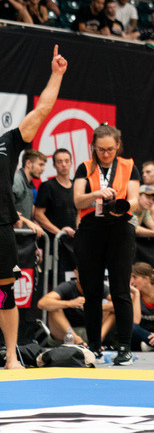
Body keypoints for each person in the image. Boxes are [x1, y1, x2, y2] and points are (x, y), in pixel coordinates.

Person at [1, 46, 67, 369]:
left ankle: (12, 356)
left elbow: (41, 110)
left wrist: (56, 75)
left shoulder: (7, 142)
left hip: (1, 229)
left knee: (4, 295)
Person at [72, 123, 140, 365]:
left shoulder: (128, 166)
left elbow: (135, 199)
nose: (106, 154)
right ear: (93, 147)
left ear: (118, 146)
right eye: (101, 149)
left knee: (121, 290)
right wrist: (97, 194)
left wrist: (123, 205)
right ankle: (93, 347)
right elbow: (78, 200)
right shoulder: (84, 167)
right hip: (90, 229)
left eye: (110, 149)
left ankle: (124, 348)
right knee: (91, 292)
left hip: (120, 228)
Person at [38, 268, 112, 347]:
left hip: (91, 333)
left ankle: (97, 341)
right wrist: (70, 303)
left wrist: (96, 306)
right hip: (65, 334)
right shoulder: (68, 286)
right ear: (76, 273)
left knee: (112, 309)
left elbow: (119, 303)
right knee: (53, 307)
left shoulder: (100, 287)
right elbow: (41, 303)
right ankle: (76, 339)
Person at [34, 148, 77, 240]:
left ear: (71, 163)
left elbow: (80, 212)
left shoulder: (76, 186)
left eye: (66, 161)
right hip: (53, 241)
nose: (64, 165)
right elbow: (38, 214)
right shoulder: (47, 186)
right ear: (54, 165)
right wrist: (59, 233)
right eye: (59, 162)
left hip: (74, 240)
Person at [12, 149, 46, 238]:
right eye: (40, 165)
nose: (43, 169)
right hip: (15, 238)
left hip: (23, 238)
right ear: (28, 163)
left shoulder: (30, 185)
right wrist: (27, 221)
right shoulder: (17, 181)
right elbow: (5, 208)